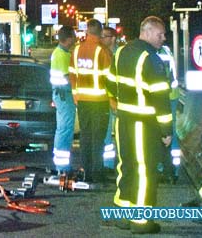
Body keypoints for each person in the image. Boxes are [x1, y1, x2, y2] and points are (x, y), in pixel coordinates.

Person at [106, 16, 172, 235]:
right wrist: (166, 131)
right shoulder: (152, 59)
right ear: (147, 31)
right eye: (160, 34)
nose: (163, 38)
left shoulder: (122, 52)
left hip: (123, 119)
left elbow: (110, 81)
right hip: (144, 123)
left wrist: (120, 103)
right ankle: (141, 221)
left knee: (126, 166)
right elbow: (161, 99)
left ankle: (122, 214)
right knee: (145, 171)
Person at [71, 19, 113, 183]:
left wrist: (76, 95)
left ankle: (87, 171)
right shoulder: (103, 51)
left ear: (87, 31)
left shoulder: (76, 50)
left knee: (86, 136)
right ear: (101, 32)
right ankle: (97, 172)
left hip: (82, 100)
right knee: (98, 137)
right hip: (100, 100)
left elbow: (72, 74)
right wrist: (113, 99)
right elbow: (109, 79)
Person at [49, 25, 76, 177]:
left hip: (62, 95)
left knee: (64, 129)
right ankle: (62, 167)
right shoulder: (61, 55)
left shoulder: (61, 53)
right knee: (65, 129)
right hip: (64, 95)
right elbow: (68, 78)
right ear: (69, 38)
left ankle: (62, 165)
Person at [156, 44, 181, 183]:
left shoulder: (156, 53)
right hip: (172, 95)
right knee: (171, 131)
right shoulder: (166, 50)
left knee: (163, 132)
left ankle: (162, 168)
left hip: (164, 96)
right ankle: (174, 168)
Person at [100, 26, 119, 171]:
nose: (101, 39)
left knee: (123, 133)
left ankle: (124, 164)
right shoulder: (102, 53)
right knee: (106, 134)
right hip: (106, 99)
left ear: (113, 38)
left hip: (121, 99)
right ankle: (108, 165)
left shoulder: (120, 54)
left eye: (104, 36)